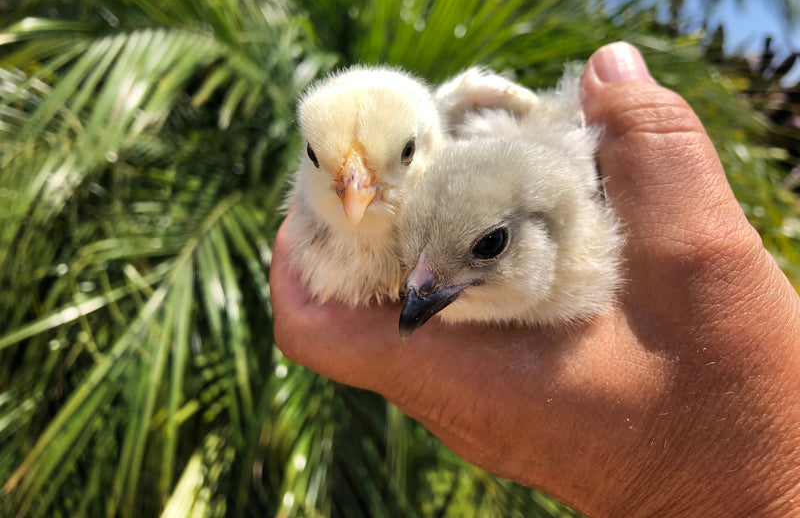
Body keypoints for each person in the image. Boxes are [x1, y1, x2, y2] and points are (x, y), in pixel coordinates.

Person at [269, 42, 800, 517]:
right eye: (322, 162)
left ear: (425, 141)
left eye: (405, 156)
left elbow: (558, 178)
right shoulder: (328, 234)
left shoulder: (471, 156)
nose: (355, 202)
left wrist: (703, 481)